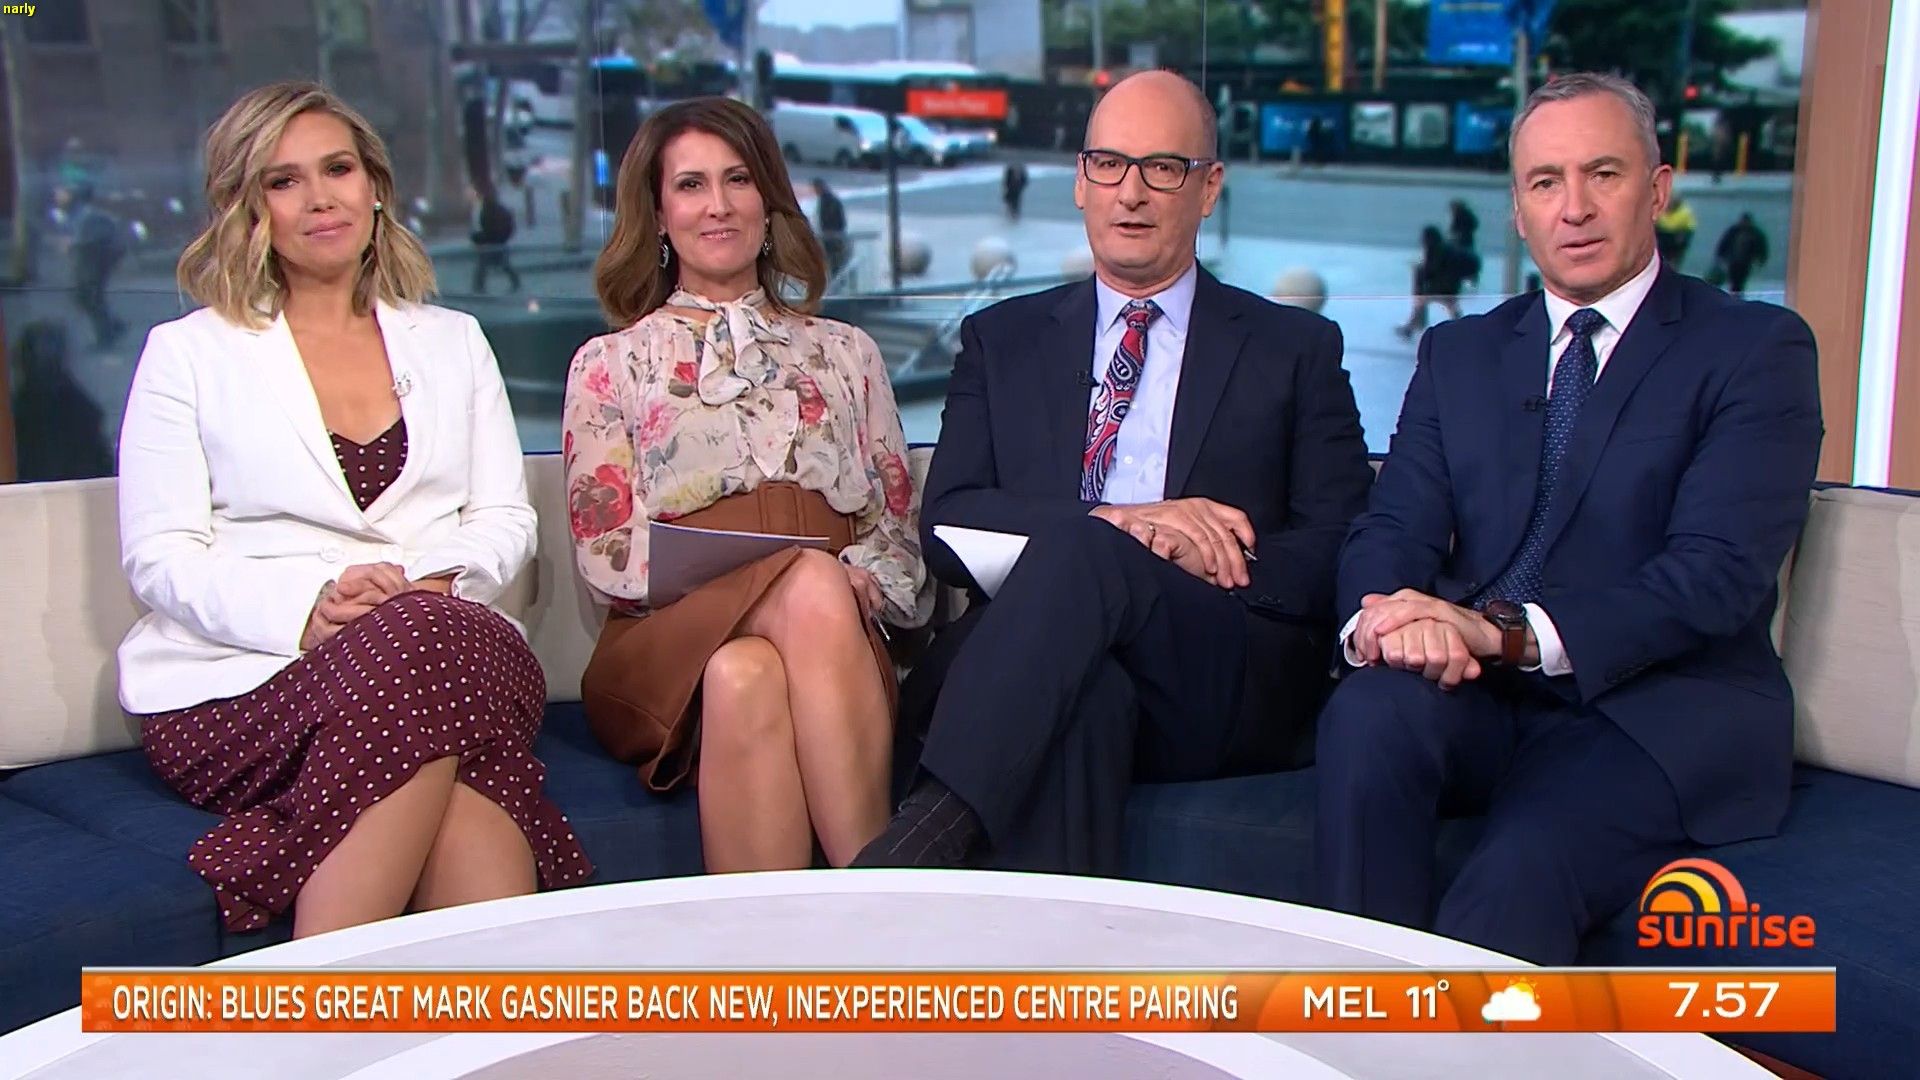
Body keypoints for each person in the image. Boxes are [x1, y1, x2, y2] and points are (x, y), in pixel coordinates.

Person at [1317, 73, 1822, 964]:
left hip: (1652, 712)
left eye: (1604, 175)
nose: (1575, 208)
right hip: (1479, 692)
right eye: (1546, 182)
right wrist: (1386, 621)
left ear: (1657, 190)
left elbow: (1713, 576)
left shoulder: (1754, 349)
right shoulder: (1460, 352)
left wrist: (1502, 632)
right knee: (1369, 716)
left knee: (1514, 876)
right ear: (1518, 211)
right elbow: (1393, 526)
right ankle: (1362, 1009)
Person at [852, 71, 1373, 873]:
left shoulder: (1294, 348)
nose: (1130, 193)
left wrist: (1201, 552)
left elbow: (1340, 540)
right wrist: (1122, 525)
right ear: (1080, 182)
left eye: (1162, 168)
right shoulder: (1001, 341)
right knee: (1088, 681)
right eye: (1108, 165)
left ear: (1209, 188)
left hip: (1213, 670)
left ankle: (913, 848)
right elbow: (949, 524)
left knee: (1093, 551)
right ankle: (1055, 957)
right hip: (1036, 662)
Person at [117, 81, 592, 938]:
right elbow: (162, 553)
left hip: (442, 639)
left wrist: (427, 588)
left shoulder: (452, 341)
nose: (320, 198)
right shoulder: (188, 355)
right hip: (251, 681)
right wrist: (309, 612)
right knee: (457, 758)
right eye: (284, 180)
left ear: (374, 185)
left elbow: (504, 517)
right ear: (250, 207)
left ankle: (316, 998)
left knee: (426, 646)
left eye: (337, 169)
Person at [564, 97, 929, 873]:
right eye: (690, 185)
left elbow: (897, 531)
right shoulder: (609, 363)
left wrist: (860, 582)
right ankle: (884, 893)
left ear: (769, 202)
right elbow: (607, 555)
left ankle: (773, 948)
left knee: (746, 673)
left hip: (831, 642)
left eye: (738, 180)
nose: (718, 205)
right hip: (663, 645)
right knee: (809, 582)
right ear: (658, 216)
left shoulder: (848, 353)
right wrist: (783, 579)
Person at [56, 183, 128, 347]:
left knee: (90, 297)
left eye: (63, 192)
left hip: (95, 262)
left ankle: (107, 333)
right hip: (87, 262)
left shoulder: (87, 215)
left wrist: (72, 244)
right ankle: (112, 327)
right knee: (85, 297)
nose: (58, 196)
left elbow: (93, 238)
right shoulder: (74, 214)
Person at [1394, 225, 1466, 340]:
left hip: (1441, 288)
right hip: (1452, 286)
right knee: (1453, 308)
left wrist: (1418, 268)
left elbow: (1430, 270)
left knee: (1421, 301)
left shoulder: (1434, 250)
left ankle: (1411, 328)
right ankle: (1463, 328)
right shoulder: (1447, 248)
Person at [468, 184, 522, 294]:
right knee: (499, 264)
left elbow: (490, 227)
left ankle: (479, 286)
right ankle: (479, 286)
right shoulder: (491, 209)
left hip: (493, 242)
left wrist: (482, 238)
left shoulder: (492, 210)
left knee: (488, 264)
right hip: (495, 242)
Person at [1712, 212, 1769, 296]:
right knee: (1734, 280)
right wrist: (1720, 256)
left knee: (1740, 281)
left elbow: (1761, 247)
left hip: (1745, 262)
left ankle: (1736, 295)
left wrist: (1761, 259)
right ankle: (1736, 295)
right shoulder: (1735, 231)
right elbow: (1724, 243)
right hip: (1734, 261)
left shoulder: (1753, 233)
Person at [811, 177, 848, 277]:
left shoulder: (829, 201)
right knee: (833, 262)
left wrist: (831, 231)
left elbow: (837, 220)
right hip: (830, 236)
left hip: (832, 236)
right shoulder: (825, 200)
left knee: (834, 261)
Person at [1654, 193, 1696, 269]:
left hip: (1677, 238)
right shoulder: (1660, 209)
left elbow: (1689, 228)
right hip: (1662, 236)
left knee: (1673, 261)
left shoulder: (1685, 212)